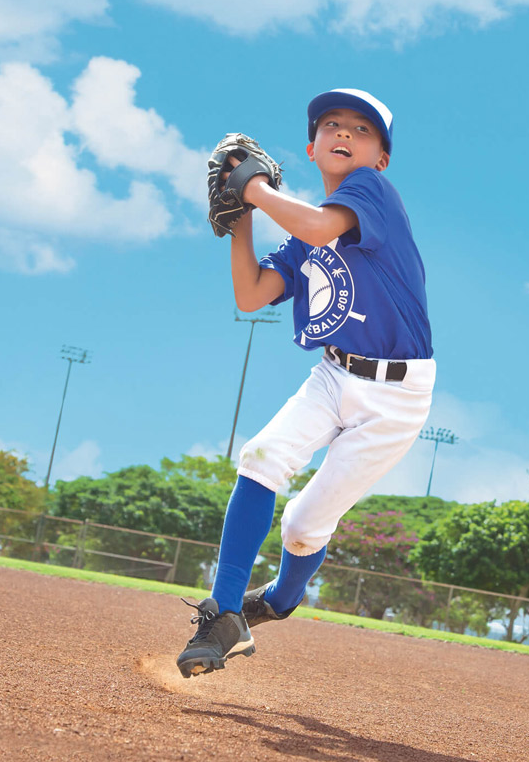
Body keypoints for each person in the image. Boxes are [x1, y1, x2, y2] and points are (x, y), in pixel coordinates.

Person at [177, 89, 435, 678]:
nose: (346, 133)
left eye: (364, 130)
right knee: (261, 456)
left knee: (302, 527)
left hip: (396, 397)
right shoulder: (301, 237)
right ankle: (222, 615)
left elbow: (322, 228)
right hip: (334, 371)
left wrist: (254, 191)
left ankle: (278, 601)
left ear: (381, 158)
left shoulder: (370, 193)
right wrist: (241, 220)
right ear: (313, 147)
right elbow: (252, 295)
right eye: (332, 124)